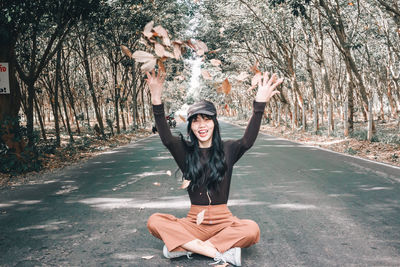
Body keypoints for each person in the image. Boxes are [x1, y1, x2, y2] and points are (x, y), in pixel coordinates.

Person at [145, 69, 283, 266]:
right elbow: (167, 138)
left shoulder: (229, 149)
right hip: (193, 223)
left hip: (224, 222)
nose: (202, 125)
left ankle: (184, 248)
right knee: (155, 221)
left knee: (252, 229)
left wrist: (259, 104)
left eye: (207, 119)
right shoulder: (185, 151)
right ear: (191, 126)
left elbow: (248, 140)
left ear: (214, 123)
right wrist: (156, 98)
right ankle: (218, 252)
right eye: (196, 120)